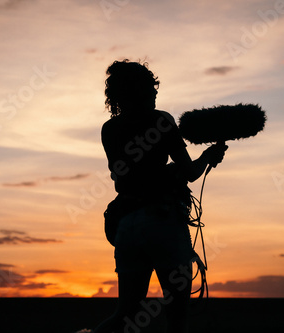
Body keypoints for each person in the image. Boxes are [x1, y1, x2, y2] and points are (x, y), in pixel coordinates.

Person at [94, 60, 227, 333]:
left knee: (126, 312)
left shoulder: (109, 130)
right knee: (176, 316)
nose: (156, 94)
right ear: (140, 91)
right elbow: (190, 173)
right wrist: (207, 156)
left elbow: (127, 177)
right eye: (151, 89)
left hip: (127, 225)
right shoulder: (160, 121)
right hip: (163, 223)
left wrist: (166, 173)